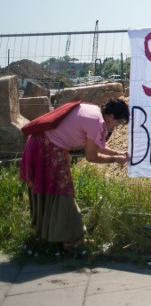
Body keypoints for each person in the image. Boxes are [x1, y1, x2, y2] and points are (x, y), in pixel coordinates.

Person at [18, 98, 130, 250]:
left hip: (40, 142)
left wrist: (118, 152)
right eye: (120, 121)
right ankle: (71, 239)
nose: (118, 126)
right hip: (48, 148)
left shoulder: (93, 111)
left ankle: (54, 235)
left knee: (51, 189)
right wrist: (115, 159)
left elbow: (98, 145)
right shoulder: (97, 123)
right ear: (110, 116)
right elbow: (92, 156)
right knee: (63, 192)